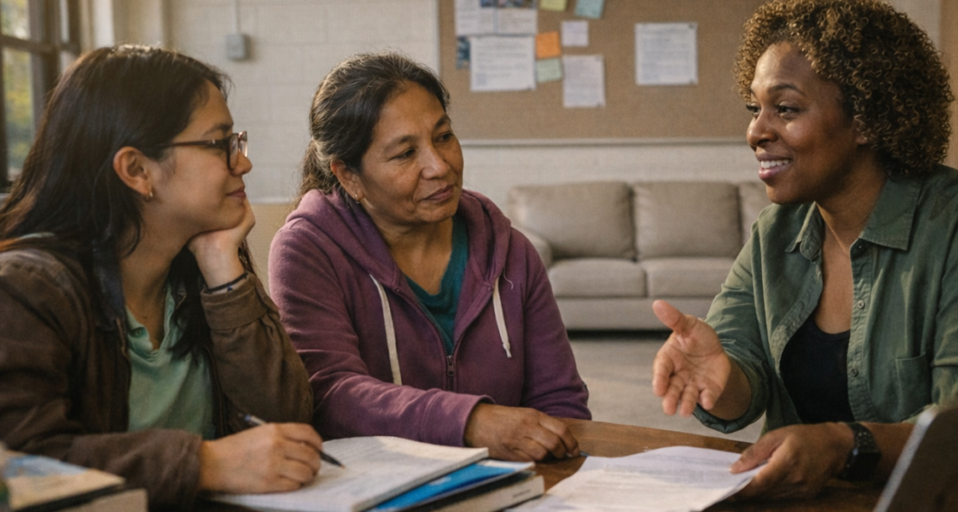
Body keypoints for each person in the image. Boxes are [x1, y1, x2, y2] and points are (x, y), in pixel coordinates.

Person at [650, 1, 958, 510]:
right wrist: (721, 379)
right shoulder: (773, 233)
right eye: (753, 108)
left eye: (785, 109)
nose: (757, 131)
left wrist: (842, 445)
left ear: (866, 119)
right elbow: (741, 380)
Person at [0, 46, 322, 510]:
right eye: (219, 143)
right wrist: (203, 464)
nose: (242, 163)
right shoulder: (27, 290)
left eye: (238, 141)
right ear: (136, 170)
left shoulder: (201, 264)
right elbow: (24, 464)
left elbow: (283, 425)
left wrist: (222, 270)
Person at [269, 52, 590, 461]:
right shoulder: (308, 250)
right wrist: (469, 422)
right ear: (349, 176)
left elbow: (561, 402)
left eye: (443, 137)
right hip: (378, 489)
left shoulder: (510, 252)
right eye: (405, 154)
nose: (440, 166)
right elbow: (329, 393)